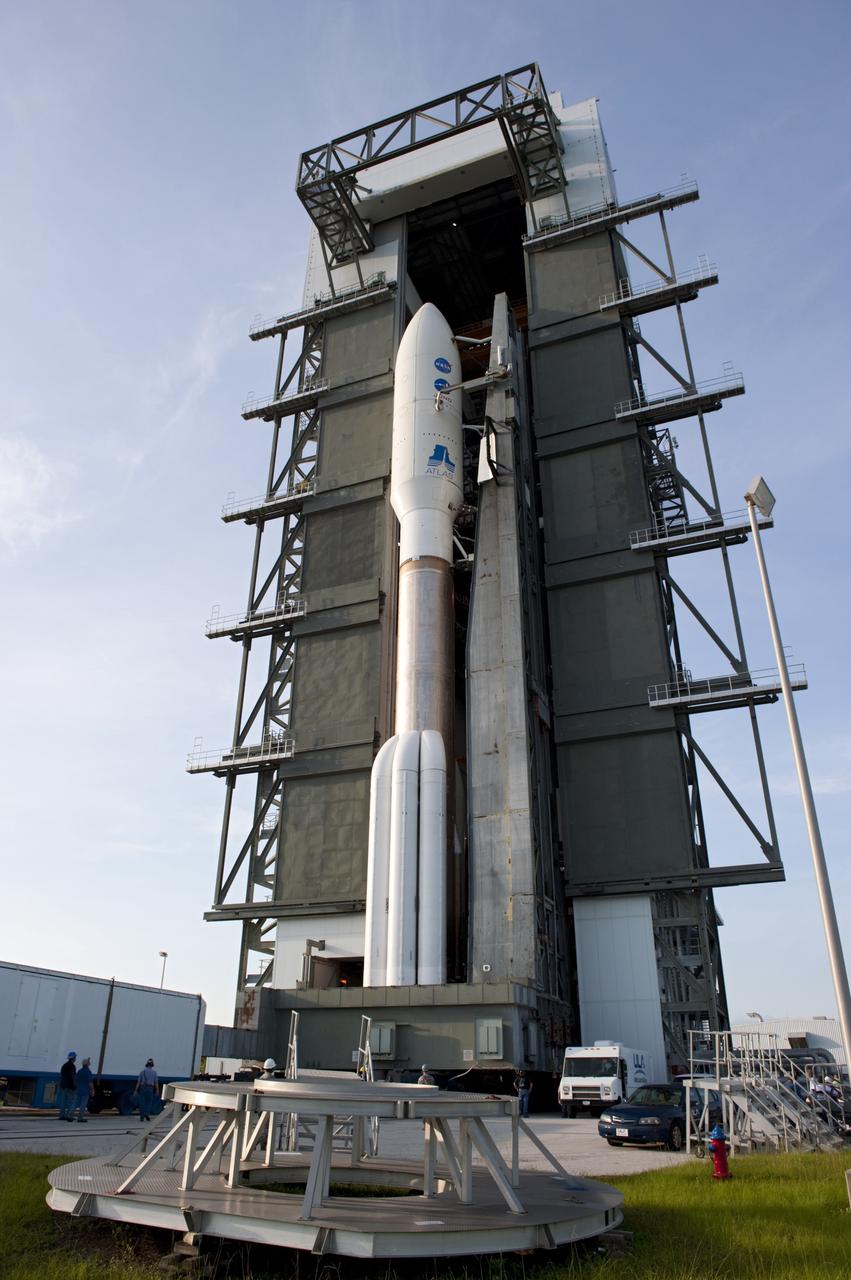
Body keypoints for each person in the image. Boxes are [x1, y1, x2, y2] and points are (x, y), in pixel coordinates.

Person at [70, 1057, 94, 1122]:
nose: (90, 1063)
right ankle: (80, 1118)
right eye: (89, 1062)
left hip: (78, 1090)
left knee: (74, 1103)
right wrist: (92, 1090)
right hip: (85, 1091)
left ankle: (70, 1116)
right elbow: (90, 1083)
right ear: (87, 1064)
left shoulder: (79, 1071)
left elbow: (75, 1080)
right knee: (83, 1105)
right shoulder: (88, 1072)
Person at [136, 1058, 159, 1122]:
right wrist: (157, 1090)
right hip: (150, 1088)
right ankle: (147, 1114)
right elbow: (156, 1083)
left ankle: (142, 1117)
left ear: (146, 1064)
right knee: (148, 1102)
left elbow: (138, 1082)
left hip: (142, 1088)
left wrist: (135, 1090)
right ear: (152, 1065)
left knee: (142, 1102)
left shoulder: (142, 1072)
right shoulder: (154, 1073)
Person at [57, 1052, 77, 1121]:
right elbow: (73, 1076)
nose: (75, 1059)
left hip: (63, 1086)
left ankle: (62, 1115)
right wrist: (75, 1085)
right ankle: (69, 1115)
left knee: (63, 1101)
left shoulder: (64, 1065)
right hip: (70, 1086)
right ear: (73, 1058)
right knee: (72, 1101)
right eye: (75, 1057)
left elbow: (61, 1076)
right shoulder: (72, 1066)